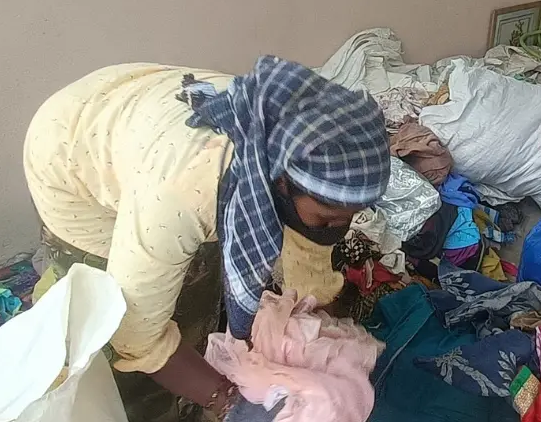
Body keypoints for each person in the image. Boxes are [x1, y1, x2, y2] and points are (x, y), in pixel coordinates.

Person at [23, 57, 390, 421]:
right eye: (328, 218)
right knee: (113, 320)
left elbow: (308, 241)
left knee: (199, 292)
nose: (339, 227)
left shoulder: (284, 142)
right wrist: (227, 400)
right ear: (279, 181)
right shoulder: (181, 194)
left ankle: (190, 373)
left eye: (350, 217)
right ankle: (148, 405)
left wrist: (318, 312)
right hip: (69, 154)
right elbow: (135, 334)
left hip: (137, 110)